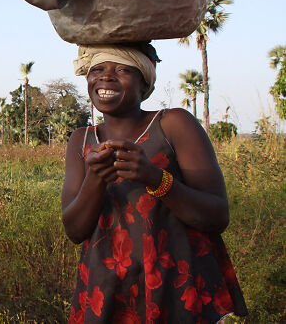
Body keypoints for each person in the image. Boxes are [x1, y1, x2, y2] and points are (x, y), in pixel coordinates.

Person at [62, 43, 247, 323]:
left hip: (177, 286)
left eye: (123, 69)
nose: (106, 77)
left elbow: (217, 216)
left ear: (144, 83)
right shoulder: (82, 139)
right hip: (109, 288)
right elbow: (75, 230)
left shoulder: (173, 124)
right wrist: (96, 179)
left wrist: (155, 177)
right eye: (97, 69)